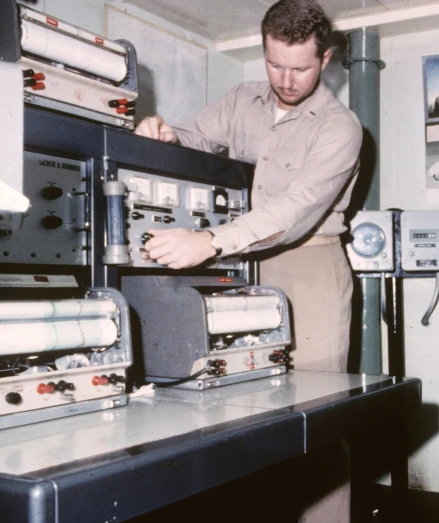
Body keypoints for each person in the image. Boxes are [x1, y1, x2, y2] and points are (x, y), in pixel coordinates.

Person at [134, 4, 360, 520]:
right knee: (241, 409)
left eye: (300, 68)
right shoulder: (241, 99)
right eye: (274, 63)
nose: (285, 79)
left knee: (316, 419)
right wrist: (164, 133)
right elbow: (194, 141)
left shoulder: (341, 128)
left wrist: (209, 241)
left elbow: (294, 211)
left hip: (309, 266)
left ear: (324, 58)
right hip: (242, 267)